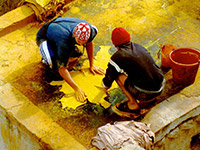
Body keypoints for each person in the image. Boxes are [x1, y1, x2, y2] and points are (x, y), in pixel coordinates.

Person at [36, 17, 105, 103]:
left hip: (60, 30)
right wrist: (76, 89)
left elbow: (89, 43)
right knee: (53, 62)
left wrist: (92, 65)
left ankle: (62, 53)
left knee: (77, 54)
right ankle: (47, 57)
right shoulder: (64, 41)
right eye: (79, 41)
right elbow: (61, 68)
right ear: (74, 35)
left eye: (83, 42)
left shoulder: (89, 30)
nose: (81, 44)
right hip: (45, 36)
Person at [102, 27, 165, 118]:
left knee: (117, 75)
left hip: (147, 93)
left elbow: (109, 78)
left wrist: (105, 86)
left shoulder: (117, 57)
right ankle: (150, 100)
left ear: (115, 45)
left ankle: (132, 104)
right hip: (161, 85)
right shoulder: (139, 47)